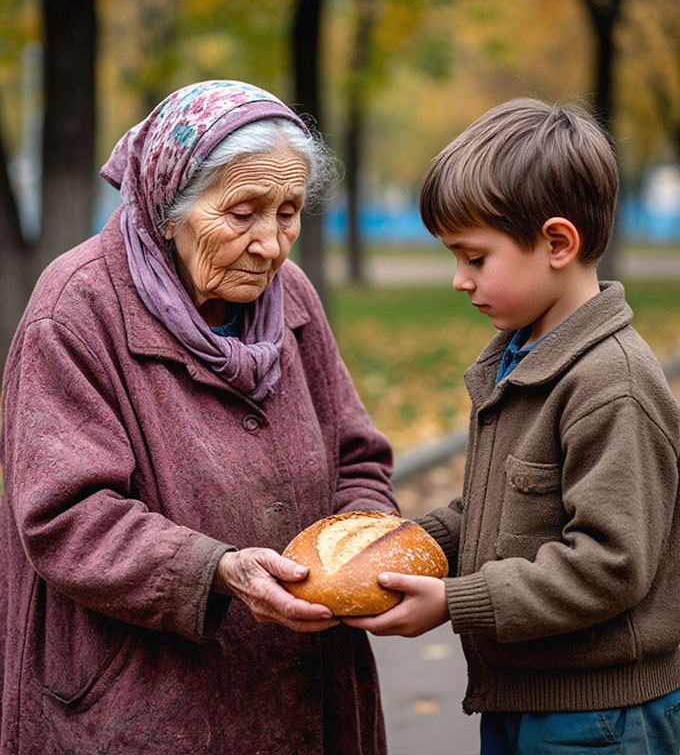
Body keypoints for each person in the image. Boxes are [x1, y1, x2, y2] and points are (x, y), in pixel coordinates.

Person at [0, 80, 398, 755]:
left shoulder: (290, 296)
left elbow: (357, 454)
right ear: (167, 208)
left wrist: (365, 542)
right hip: (142, 701)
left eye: (289, 213)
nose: (271, 245)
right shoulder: (75, 311)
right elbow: (67, 516)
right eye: (243, 213)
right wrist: (216, 569)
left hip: (306, 679)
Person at [346, 99, 680, 754]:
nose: (457, 280)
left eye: (475, 257)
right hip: (528, 694)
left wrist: (454, 602)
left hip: (601, 716)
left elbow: (610, 565)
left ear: (557, 243)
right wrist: (398, 548)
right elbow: (493, 511)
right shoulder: (521, 357)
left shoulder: (611, 382)